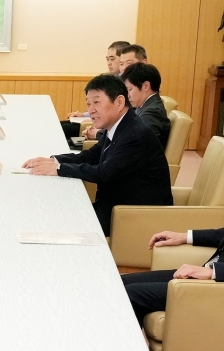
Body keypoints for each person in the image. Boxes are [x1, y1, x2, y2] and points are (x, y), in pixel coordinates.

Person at [22, 73, 172, 236]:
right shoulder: (119, 125)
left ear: (119, 102)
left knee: (56, 220)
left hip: (133, 216)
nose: (91, 110)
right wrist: (55, 159)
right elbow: (91, 155)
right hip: (115, 205)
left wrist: (59, 169)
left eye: (97, 102)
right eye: (88, 104)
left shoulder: (135, 134)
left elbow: (104, 172)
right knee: (53, 209)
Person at [121, 227, 224, 325]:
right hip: (212, 277)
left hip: (216, 286)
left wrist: (214, 271)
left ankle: (123, 343)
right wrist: (185, 236)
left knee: (130, 294)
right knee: (119, 284)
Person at [63, 40, 131, 140]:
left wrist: (92, 125)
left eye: (112, 59)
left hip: (104, 127)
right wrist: (83, 114)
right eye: (107, 59)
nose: (109, 63)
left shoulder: (125, 84)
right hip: (102, 126)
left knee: (64, 129)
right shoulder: (110, 79)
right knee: (63, 124)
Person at [123, 62, 171, 148]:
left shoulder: (153, 113)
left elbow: (134, 142)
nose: (127, 95)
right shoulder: (145, 106)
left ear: (146, 86)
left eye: (129, 89)